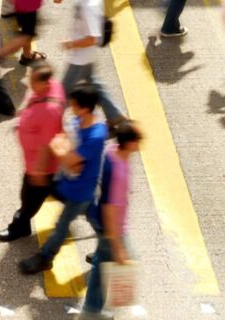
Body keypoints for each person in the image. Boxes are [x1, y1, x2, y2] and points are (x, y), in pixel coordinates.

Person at [20, 85, 108, 274]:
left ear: (85, 108)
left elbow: (65, 152)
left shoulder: (96, 135)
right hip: (74, 184)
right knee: (97, 222)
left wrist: (61, 149)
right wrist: (65, 151)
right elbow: (62, 142)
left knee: (61, 226)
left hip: (80, 190)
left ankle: (45, 257)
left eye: (74, 105)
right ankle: (107, 252)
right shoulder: (79, 120)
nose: (70, 107)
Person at [79, 122, 143, 320]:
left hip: (100, 219)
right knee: (123, 258)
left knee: (101, 261)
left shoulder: (112, 151)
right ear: (131, 143)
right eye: (138, 140)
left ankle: (92, 310)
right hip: (111, 227)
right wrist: (116, 245)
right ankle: (91, 311)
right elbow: (109, 208)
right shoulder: (119, 173)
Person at [0, 62, 65, 242]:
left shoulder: (49, 110)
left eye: (32, 80)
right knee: (60, 195)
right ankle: (88, 209)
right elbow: (32, 101)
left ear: (44, 83)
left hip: (41, 168)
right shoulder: (49, 89)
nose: (29, 83)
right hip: (37, 165)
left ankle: (19, 227)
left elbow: (45, 144)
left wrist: (38, 173)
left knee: (29, 201)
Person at [60, 0, 126, 125]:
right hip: (85, 56)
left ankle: (51, 125)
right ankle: (114, 115)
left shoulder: (90, 6)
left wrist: (71, 44)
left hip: (80, 57)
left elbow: (93, 38)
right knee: (94, 83)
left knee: (63, 92)